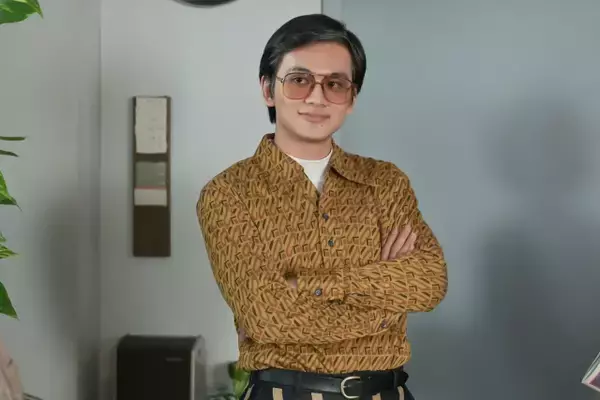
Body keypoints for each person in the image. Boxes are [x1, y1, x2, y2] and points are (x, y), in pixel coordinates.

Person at [197, 13, 448, 400]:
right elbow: (267, 317)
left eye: (335, 84)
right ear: (268, 89)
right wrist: (386, 306)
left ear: (351, 99)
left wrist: (307, 286)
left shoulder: (385, 182)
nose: (317, 97)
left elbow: (429, 282)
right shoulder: (229, 193)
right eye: (299, 80)